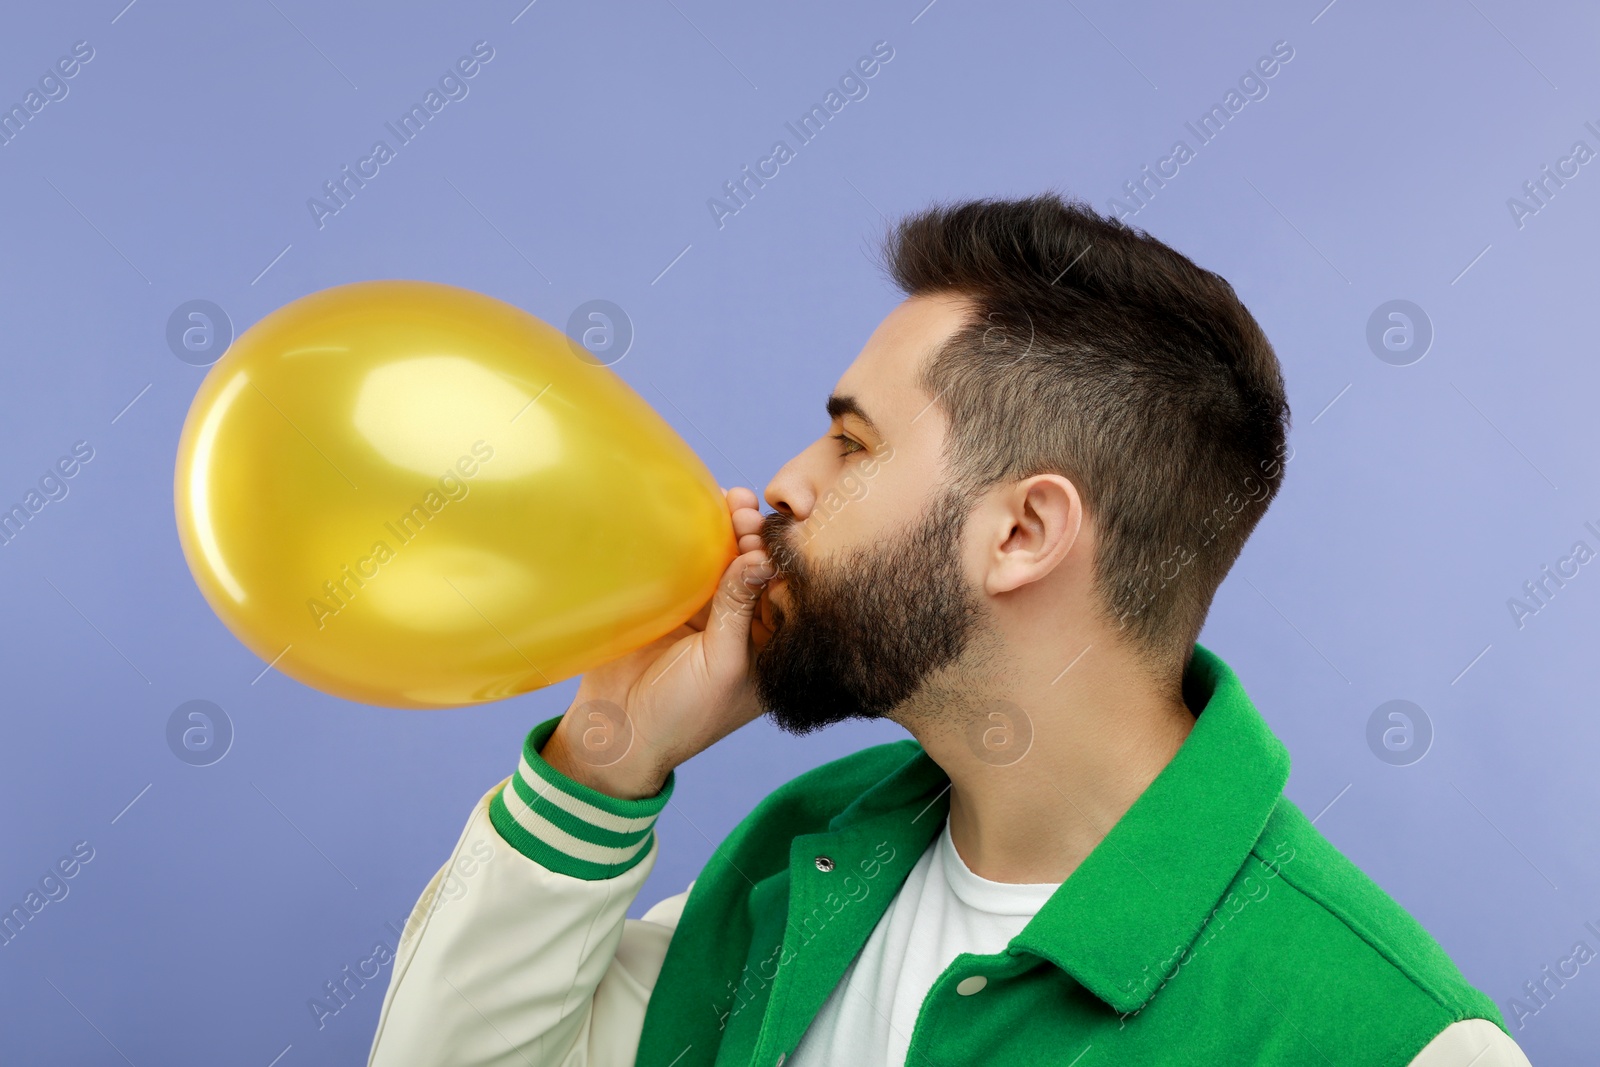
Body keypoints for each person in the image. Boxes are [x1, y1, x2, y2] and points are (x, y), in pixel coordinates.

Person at [366, 195, 1530, 1066]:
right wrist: (609, 757)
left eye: (852, 444)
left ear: (1023, 530)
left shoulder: (1387, 1034)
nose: (783, 484)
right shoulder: (808, 861)